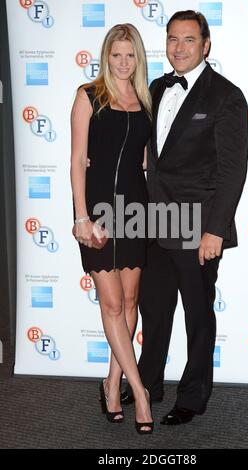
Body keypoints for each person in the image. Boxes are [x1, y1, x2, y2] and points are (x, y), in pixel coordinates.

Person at [121, 10, 248, 425]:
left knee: (197, 314)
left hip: (198, 225)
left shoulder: (226, 96)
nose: (179, 47)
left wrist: (215, 230)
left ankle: (193, 396)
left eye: (189, 40)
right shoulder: (155, 87)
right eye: (173, 39)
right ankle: (149, 382)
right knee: (154, 310)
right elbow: (145, 149)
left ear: (206, 45)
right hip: (154, 220)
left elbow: (232, 170)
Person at [70, 23, 153, 434]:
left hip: (135, 210)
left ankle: (112, 381)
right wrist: (81, 216)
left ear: (138, 57)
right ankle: (139, 392)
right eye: (116, 55)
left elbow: (142, 160)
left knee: (132, 298)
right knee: (113, 304)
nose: (123, 63)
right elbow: (77, 159)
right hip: (98, 212)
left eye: (130, 55)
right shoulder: (88, 96)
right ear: (106, 56)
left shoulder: (145, 100)